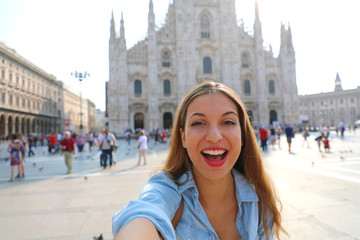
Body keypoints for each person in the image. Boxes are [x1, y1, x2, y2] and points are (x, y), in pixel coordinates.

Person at [112, 81, 286, 240]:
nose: (214, 137)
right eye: (198, 123)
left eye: (227, 122)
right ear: (183, 137)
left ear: (243, 136)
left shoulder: (259, 201)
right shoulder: (166, 190)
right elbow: (145, 212)